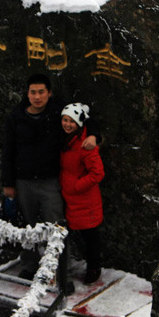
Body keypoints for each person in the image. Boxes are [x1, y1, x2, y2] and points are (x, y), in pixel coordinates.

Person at [1, 73, 99, 277]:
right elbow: (7, 150)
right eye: (33, 92)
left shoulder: (58, 111)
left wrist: (93, 135)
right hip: (24, 180)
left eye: (41, 92)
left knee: (56, 225)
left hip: (51, 179)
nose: (37, 97)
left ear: (49, 93)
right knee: (26, 225)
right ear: (27, 94)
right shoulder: (16, 117)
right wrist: (8, 182)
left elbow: (86, 118)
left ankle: (60, 268)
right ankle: (29, 265)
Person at [60, 102, 105, 284]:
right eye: (65, 120)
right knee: (78, 236)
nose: (67, 124)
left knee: (90, 237)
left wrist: (76, 186)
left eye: (72, 121)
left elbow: (98, 173)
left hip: (85, 201)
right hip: (70, 199)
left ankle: (94, 268)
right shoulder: (66, 140)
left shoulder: (86, 144)